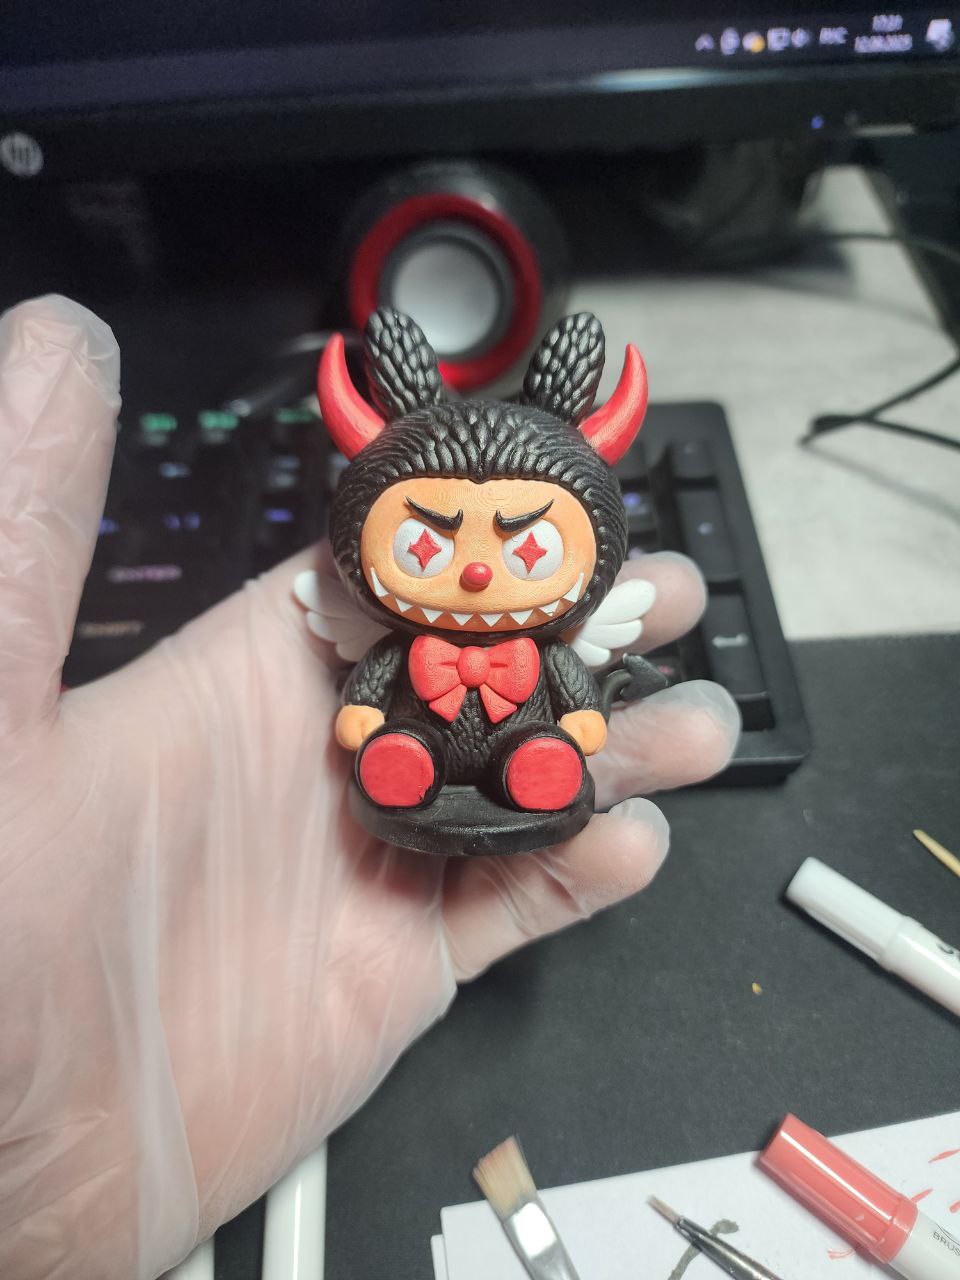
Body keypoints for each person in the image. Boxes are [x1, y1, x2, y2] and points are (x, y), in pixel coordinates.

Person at [0, 296, 740, 1279]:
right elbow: (374, 677)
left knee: (544, 754)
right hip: (416, 744)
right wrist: (365, 720)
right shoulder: (397, 643)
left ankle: (533, 771)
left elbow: (569, 680)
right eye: (429, 546)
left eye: (523, 548)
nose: (474, 575)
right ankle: (413, 768)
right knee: (399, 747)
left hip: (521, 734)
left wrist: (576, 721)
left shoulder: (544, 645)